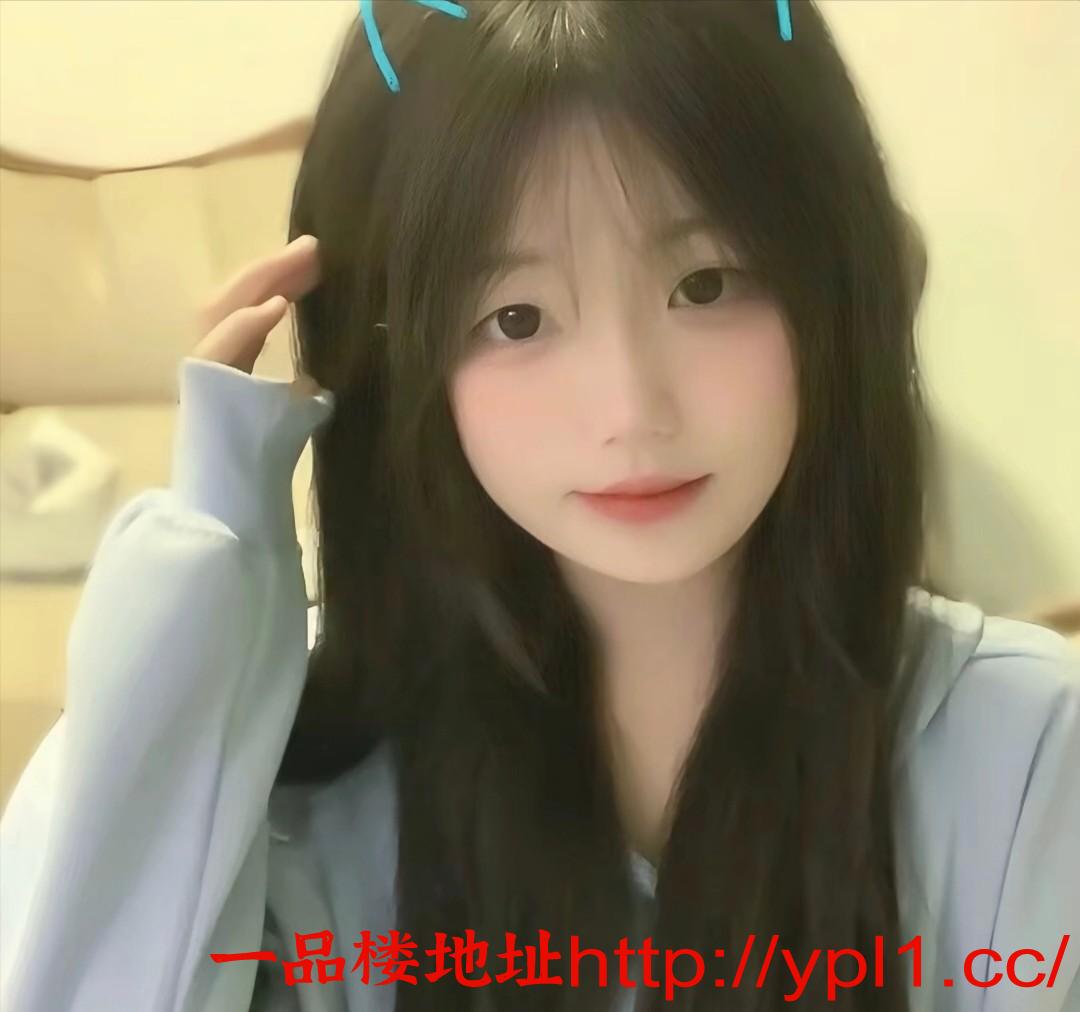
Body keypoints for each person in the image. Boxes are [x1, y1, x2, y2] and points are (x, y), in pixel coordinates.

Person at [2, 2, 1077, 1011]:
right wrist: (208, 569)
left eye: (705, 284)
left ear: (837, 286)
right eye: (515, 317)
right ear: (391, 354)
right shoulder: (279, 780)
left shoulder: (1026, 751)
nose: (630, 410)